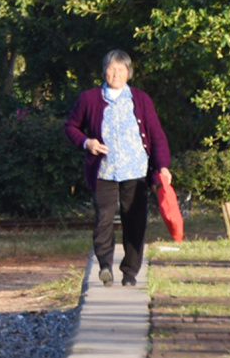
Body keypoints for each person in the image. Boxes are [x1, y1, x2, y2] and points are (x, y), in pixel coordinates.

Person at [65, 49, 172, 287]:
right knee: (103, 219)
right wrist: (87, 142)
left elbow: (156, 135)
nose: (116, 73)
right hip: (103, 171)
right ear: (104, 71)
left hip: (136, 171)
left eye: (121, 69)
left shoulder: (140, 99)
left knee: (134, 221)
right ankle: (105, 265)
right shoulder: (89, 98)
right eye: (111, 68)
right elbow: (71, 127)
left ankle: (130, 272)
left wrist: (162, 166)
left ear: (128, 73)